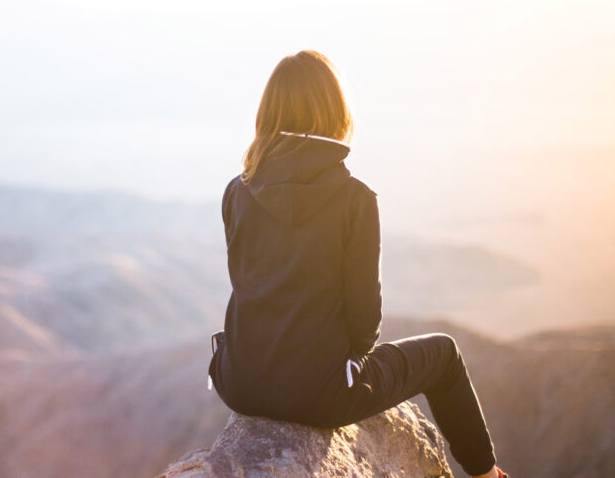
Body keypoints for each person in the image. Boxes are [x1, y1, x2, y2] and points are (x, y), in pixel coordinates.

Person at [207, 50, 507, 478]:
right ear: (335, 111)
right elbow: (365, 322)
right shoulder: (355, 199)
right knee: (444, 353)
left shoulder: (237, 191)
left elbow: (251, 284)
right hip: (322, 396)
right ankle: (486, 473)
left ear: (268, 113)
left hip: (237, 383)